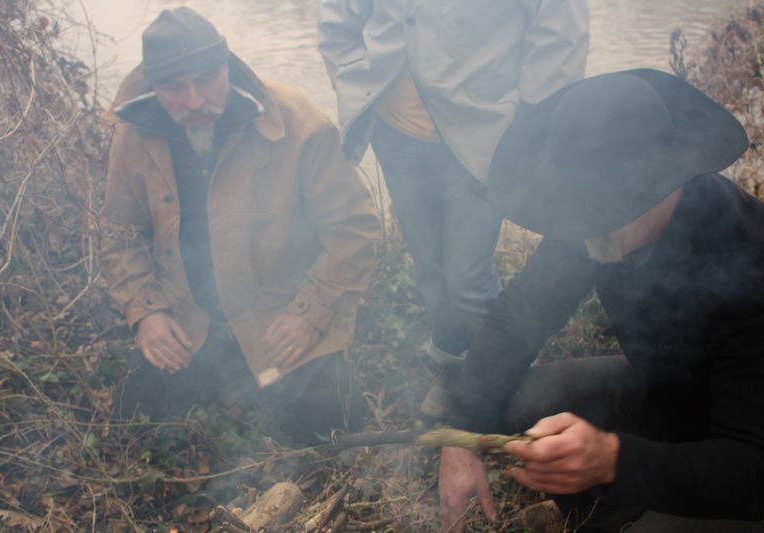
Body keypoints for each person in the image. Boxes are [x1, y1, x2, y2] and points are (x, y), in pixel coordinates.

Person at [439, 69, 764, 532]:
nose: (582, 226)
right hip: (661, 396)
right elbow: (519, 316)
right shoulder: (594, 224)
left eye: (600, 208)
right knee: (523, 402)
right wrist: (463, 434)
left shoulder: (747, 261)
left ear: (666, 180)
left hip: (737, 453)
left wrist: (613, 461)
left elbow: (751, 467)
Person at [101, 7, 380, 445]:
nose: (194, 100)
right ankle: (223, 381)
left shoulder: (300, 124)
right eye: (174, 87)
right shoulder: (134, 132)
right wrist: (147, 312)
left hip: (278, 319)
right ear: (153, 87)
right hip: (190, 320)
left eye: (207, 78)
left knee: (329, 431)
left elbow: (355, 230)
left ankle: (277, 382)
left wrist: (311, 312)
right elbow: (121, 234)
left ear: (226, 66)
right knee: (138, 422)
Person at [317, 0, 590, 416]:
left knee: (466, 278)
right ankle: (450, 359)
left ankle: (504, 381)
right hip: (396, 134)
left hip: (484, 135)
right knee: (429, 265)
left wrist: (531, 127)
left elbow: (559, 33)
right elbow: (338, 20)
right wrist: (358, 82)